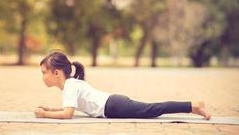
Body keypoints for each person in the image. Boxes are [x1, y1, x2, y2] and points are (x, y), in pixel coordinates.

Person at [34, 51, 211, 120]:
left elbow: (68, 114)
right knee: (152, 109)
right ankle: (193, 106)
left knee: (153, 109)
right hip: (113, 104)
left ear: (56, 73)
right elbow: (69, 107)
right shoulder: (71, 85)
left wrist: (44, 114)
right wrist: (50, 108)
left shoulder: (71, 86)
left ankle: (193, 106)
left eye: (44, 72)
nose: (42, 77)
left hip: (114, 106)